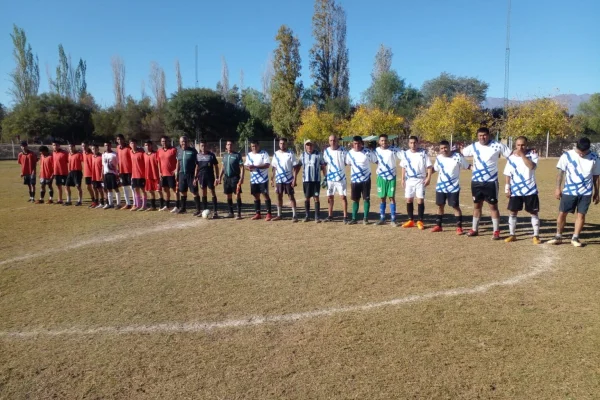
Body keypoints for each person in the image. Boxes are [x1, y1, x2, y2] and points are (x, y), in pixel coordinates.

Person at [547, 137, 600, 247]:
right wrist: (557, 188)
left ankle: (575, 237)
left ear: (588, 148)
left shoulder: (595, 157)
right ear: (576, 147)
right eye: (580, 151)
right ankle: (558, 236)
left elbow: (596, 177)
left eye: (584, 151)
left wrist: (596, 192)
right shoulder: (567, 156)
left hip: (586, 192)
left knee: (581, 215)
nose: (581, 154)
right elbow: (560, 173)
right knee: (562, 213)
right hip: (569, 191)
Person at [461, 127, 512, 239]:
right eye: (480, 135)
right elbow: (460, 154)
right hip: (476, 181)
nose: (482, 137)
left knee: (493, 206)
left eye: (484, 135)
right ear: (477, 136)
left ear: (489, 135)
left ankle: (496, 231)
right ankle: (474, 229)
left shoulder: (497, 145)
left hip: (491, 182)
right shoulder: (473, 146)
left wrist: (527, 151)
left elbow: (511, 156)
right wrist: (468, 166)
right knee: (477, 206)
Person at [502, 136, 541, 244]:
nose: (520, 147)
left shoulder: (533, 154)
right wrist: (507, 188)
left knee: (534, 212)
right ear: (515, 145)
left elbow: (532, 166)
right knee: (513, 212)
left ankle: (536, 236)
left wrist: (523, 155)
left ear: (526, 145)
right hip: (516, 190)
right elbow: (508, 174)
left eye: (523, 145)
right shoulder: (511, 158)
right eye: (518, 145)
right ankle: (512, 235)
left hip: (530, 189)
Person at [431, 140, 470, 234]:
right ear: (439, 149)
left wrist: (477, 170)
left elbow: (468, 166)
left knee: (455, 206)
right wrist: (425, 175)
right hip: (441, 187)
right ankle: (438, 225)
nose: (444, 150)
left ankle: (459, 227)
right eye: (442, 148)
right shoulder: (439, 158)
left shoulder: (457, 156)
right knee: (440, 205)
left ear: (449, 147)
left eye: (445, 148)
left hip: (453, 187)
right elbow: (434, 169)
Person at [400, 136, 433, 229]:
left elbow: (429, 167)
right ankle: (410, 220)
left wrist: (428, 178)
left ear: (417, 143)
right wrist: (402, 179)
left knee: (420, 200)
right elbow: (403, 167)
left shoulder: (423, 153)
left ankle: (420, 221)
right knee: (409, 199)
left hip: (420, 180)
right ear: (408, 144)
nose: (413, 144)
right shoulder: (405, 154)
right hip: (409, 180)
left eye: (414, 142)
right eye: (411, 143)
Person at [345, 136, 377, 225]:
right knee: (355, 200)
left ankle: (365, 218)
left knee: (366, 199)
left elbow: (376, 161)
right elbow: (348, 163)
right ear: (352, 144)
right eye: (355, 143)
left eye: (358, 143)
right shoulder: (349, 154)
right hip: (355, 180)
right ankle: (354, 218)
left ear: (361, 143)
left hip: (366, 180)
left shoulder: (367, 152)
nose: (357, 145)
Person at [374, 134, 403, 226]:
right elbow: (374, 160)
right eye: (382, 140)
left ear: (388, 141)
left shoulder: (394, 150)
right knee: (382, 197)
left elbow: (404, 156)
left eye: (385, 140)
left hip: (391, 177)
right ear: (379, 142)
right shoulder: (376, 150)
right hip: (381, 177)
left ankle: (393, 219)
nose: (384, 142)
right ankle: (382, 218)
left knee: (391, 197)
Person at [271, 138, 300, 222]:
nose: (282, 145)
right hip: (279, 179)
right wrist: (272, 179)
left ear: (286, 144)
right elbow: (274, 167)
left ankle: (295, 215)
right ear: (279, 144)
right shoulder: (276, 154)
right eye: (280, 143)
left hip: (288, 179)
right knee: (279, 196)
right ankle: (279, 215)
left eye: (283, 143)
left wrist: (294, 179)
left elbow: (295, 168)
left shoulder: (291, 153)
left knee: (291, 197)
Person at [244, 140, 272, 221]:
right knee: (256, 196)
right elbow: (245, 165)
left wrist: (255, 167)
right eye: (252, 146)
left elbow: (267, 165)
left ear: (258, 146)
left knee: (265, 195)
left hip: (263, 179)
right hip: (253, 179)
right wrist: (248, 168)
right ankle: (258, 213)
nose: (254, 148)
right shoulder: (249, 155)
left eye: (255, 146)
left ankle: (269, 214)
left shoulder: (264, 153)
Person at [323, 135, 349, 223]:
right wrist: (325, 176)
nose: (332, 142)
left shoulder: (343, 150)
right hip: (330, 179)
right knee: (330, 197)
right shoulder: (326, 151)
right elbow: (325, 163)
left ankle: (345, 217)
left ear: (337, 141)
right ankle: (330, 215)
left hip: (341, 178)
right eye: (331, 140)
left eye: (334, 140)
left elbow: (346, 162)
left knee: (343, 197)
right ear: (329, 141)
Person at [299, 139, 325, 222]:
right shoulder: (302, 155)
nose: (309, 146)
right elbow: (298, 166)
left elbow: (323, 165)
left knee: (316, 197)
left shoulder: (318, 154)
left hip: (316, 180)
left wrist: (325, 177)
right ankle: (307, 216)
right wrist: (294, 177)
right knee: (307, 198)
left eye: (310, 145)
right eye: (307, 145)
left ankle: (317, 216)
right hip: (306, 180)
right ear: (305, 146)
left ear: (313, 145)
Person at [217, 140, 245, 219]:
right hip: (226, 178)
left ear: (233, 146)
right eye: (228, 144)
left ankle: (238, 213)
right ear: (226, 146)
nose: (229, 146)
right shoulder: (225, 155)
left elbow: (241, 167)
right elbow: (222, 167)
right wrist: (219, 177)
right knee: (228, 195)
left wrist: (241, 178)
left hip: (235, 178)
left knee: (237, 195)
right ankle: (231, 212)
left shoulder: (237, 155)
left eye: (231, 144)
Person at [175, 136, 201, 215]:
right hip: (182, 174)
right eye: (182, 141)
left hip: (191, 174)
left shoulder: (193, 151)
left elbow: (197, 164)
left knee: (194, 192)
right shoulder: (179, 151)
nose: (184, 143)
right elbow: (178, 162)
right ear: (180, 142)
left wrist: (196, 176)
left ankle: (198, 210)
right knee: (183, 191)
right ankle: (183, 208)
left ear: (188, 142)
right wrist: (177, 172)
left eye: (185, 141)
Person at [196, 139, 219, 218]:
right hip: (201, 176)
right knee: (203, 193)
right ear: (200, 147)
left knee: (212, 192)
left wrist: (217, 177)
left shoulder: (211, 155)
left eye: (205, 145)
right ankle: (204, 210)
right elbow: (197, 167)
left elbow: (216, 166)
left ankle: (215, 211)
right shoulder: (198, 155)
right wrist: (195, 177)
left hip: (210, 176)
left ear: (207, 146)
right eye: (202, 146)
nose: (203, 147)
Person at [158, 136, 179, 212]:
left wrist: (176, 170)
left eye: (165, 141)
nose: (164, 143)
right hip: (163, 174)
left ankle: (177, 206)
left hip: (171, 174)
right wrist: (160, 172)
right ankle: (167, 205)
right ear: (161, 142)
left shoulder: (173, 150)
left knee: (174, 190)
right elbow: (159, 162)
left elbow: (178, 161)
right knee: (165, 189)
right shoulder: (159, 151)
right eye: (163, 141)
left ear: (169, 141)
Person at [144, 140, 163, 211]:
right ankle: (153, 206)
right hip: (148, 176)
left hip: (156, 176)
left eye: (148, 145)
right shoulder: (144, 154)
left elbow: (158, 164)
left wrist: (159, 173)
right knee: (150, 191)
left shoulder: (156, 154)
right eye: (146, 145)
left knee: (158, 191)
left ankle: (161, 206)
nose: (147, 147)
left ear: (151, 146)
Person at [116, 134, 133, 209]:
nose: (119, 141)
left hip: (129, 170)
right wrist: (119, 170)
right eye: (118, 139)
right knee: (124, 187)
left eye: (120, 139)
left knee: (132, 187)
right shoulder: (118, 148)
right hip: (122, 171)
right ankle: (128, 203)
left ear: (123, 139)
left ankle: (135, 203)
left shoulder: (129, 148)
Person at [102, 141, 120, 209]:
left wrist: (118, 174)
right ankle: (110, 203)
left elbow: (118, 164)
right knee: (108, 189)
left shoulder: (114, 154)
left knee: (116, 188)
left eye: (108, 145)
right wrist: (102, 174)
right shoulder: (103, 154)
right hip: (106, 173)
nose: (107, 147)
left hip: (113, 174)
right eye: (105, 145)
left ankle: (118, 204)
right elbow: (103, 165)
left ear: (110, 146)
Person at [130, 139, 146, 211]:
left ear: (136, 144)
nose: (133, 145)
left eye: (134, 143)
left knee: (143, 190)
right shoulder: (130, 152)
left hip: (141, 175)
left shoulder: (141, 152)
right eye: (131, 143)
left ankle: (144, 205)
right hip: (134, 175)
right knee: (136, 190)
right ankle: (138, 204)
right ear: (130, 145)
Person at [82, 141, 96, 206]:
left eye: (85, 146)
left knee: (94, 187)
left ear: (88, 146)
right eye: (82, 146)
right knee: (88, 187)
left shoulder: (92, 153)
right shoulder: (83, 153)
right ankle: (93, 199)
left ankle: (97, 200)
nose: (84, 147)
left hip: (93, 173)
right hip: (86, 173)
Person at [91, 143, 105, 208]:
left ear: (98, 149)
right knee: (94, 188)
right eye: (93, 149)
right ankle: (96, 201)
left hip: (99, 176)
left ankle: (102, 202)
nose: (94, 150)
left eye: (95, 149)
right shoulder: (92, 156)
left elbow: (103, 166)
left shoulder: (102, 156)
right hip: (94, 175)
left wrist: (102, 175)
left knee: (100, 189)